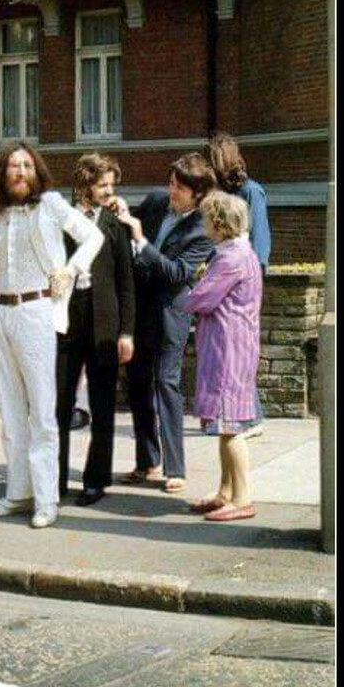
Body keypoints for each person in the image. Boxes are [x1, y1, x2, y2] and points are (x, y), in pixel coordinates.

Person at [0, 142, 103, 529]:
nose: (19, 171)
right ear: (2, 172)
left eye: (26, 165)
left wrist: (72, 269)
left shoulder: (50, 204)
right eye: (13, 165)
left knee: (42, 413)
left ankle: (46, 499)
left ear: (36, 171)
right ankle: (18, 492)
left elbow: (92, 237)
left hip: (37, 311)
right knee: (10, 409)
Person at [114, 154, 216, 492]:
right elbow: (125, 223)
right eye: (171, 182)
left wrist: (141, 240)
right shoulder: (157, 201)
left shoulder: (202, 230)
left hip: (169, 315)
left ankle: (176, 468)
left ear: (198, 194)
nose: (170, 189)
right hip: (139, 311)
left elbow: (176, 274)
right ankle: (147, 462)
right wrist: (119, 209)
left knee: (167, 386)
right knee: (138, 386)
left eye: (179, 187)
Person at [56, 154, 135, 505]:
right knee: (59, 404)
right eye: (102, 185)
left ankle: (95, 479)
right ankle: (54, 479)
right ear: (84, 185)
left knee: (102, 404)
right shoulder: (61, 220)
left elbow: (126, 283)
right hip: (66, 321)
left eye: (111, 186)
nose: (108, 191)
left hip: (104, 321)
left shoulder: (115, 224)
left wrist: (126, 333)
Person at [181, 190, 262, 521]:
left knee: (230, 426)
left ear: (217, 222)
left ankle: (241, 498)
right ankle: (226, 492)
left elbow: (202, 299)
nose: (202, 224)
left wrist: (187, 293)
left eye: (205, 218)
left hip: (229, 347)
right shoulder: (239, 252)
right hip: (229, 344)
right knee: (223, 425)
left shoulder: (230, 258)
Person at [204, 133, 271, 437]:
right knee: (232, 354)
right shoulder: (220, 193)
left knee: (240, 352)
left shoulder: (252, 192)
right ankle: (249, 416)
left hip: (244, 282)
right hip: (227, 276)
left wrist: (250, 282)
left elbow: (258, 243)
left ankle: (249, 418)